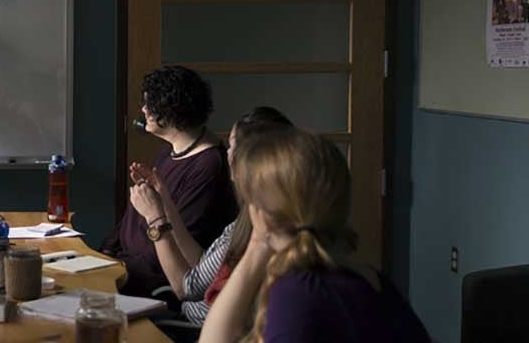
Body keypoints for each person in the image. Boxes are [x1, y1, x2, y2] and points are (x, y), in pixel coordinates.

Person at [199, 128, 430, 343]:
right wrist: (259, 244)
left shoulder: (296, 293)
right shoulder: (371, 280)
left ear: (260, 214)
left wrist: (258, 243)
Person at [131, 107, 293, 327]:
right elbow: (200, 262)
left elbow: (183, 288)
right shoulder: (251, 217)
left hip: (192, 329)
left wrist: (155, 219)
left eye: (232, 145)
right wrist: (164, 199)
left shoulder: (255, 227)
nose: (227, 152)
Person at [101, 65, 238, 302]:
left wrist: (117, 265)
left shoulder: (208, 165)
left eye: (149, 103)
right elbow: (133, 219)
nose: (143, 109)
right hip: (124, 265)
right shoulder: (169, 153)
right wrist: (106, 251)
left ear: (170, 110)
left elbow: (176, 244)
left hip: (151, 281)